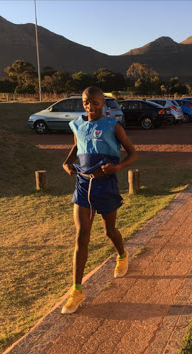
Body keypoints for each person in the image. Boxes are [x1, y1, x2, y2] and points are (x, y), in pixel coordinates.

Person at [61, 86, 138, 314]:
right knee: (81, 237)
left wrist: (118, 167)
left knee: (108, 232)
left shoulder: (112, 125)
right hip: (83, 185)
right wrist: (67, 162)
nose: (90, 106)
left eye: (94, 102)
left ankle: (122, 256)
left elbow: (133, 154)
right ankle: (76, 291)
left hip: (105, 185)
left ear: (103, 103)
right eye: (86, 102)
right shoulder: (77, 125)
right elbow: (76, 146)